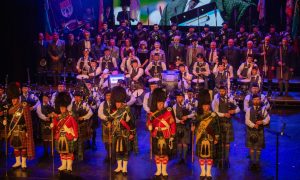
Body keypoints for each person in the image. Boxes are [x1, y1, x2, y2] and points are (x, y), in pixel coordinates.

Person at [5, 82, 35, 170]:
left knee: (24, 148)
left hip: (23, 130)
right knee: (16, 147)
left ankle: (24, 163)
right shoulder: (10, 109)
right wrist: (5, 120)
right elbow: (9, 119)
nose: (13, 101)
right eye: (12, 100)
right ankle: (18, 162)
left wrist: (26, 131)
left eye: (15, 99)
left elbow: (28, 120)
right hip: (14, 130)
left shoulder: (24, 106)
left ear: (18, 99)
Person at [147, 88, 176, 177]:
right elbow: (148, 122)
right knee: (157, 154)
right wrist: (149, 126)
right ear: (156, 103)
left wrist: (172, 135)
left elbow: (173, 124)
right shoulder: (152, 113)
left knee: (165, 154)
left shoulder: (168, 111)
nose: (160, 105)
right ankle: (158, 170)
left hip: (166, 134)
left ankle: (164, 170)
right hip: (156, 134)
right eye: (159, 103)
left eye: (162, 103)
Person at [212, 85, 240, 168]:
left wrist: (233, 111)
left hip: (228, 123)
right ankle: (220, 159)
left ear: (226, 91)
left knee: (227, 143)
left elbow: (238, 108)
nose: (221, 93)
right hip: (219, 123)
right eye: (220, 91)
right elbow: (215, 112)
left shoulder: (230, 99)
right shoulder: (216, 100)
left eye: (223, 91)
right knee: (220, 142)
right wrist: (224, 114)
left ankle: (227, 159)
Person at [110, 86, 136, 175]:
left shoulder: (126, 110)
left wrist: (132, 133)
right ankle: (119, 167)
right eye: (116, 102)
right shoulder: (113, 110)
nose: (117, 104)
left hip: (125, 134)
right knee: (117, 151)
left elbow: (131, 122)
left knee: (125, 151)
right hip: (116, 134)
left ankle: (124, 168)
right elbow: (111, 120)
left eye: (119, 102)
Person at [192, 98, 219, 180]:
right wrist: (193, 127)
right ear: (202, 106)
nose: (206, 107)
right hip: (200, 137)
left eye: (207, 106)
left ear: (209, 106)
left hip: (210, 137)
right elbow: (194, 123)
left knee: (209, 156)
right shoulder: (198, 115)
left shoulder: (213, 115)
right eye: (204, 106)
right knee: (202, 156)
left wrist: (216, 137)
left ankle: (208, 173)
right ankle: (203, 172)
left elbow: (217, 127)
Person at [50, 92, 78, 173]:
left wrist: (75, 135)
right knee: (62, 152)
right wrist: (52, 125)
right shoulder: (57, 117)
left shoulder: (70, 116)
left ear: (66, 108)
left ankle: (69, 166)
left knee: (69, 152)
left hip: (68, 136)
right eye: (60, 108)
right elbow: (55, 126)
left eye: (63, 108)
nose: (61, 109)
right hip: (60, 136)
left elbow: (74, 126)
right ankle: (63, 165)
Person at [245, 95, 270, 171]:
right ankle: (253, 162)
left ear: (260, 100)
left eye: (258, 99)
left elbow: (268, 118)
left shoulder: (263, 109)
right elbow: (247, 120)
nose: (256, 101)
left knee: (259, 148)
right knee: (252, 147)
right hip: (251, 131)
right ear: (252, 101)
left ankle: (257, 163)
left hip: (260, 131)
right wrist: (253, 125)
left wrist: (262, 121)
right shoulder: (249, 109)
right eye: (255, 99)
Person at [69, 91, 93, 161]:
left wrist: (83, 117)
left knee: (81, 141)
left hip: (82, 125)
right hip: (73, 125)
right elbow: (69, 112)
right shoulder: (71, 104)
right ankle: (74, 154)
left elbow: (90, 113)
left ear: (81, 98)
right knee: (74, 140)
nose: (76, 98)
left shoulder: (84, 104)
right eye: (75, 97)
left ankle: (81, 155)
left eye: (78, 97)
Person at [173, 90, 194, 164]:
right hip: (178, 125)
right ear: (176, 98)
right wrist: (179, 121)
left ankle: (184, 159)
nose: (179, 98)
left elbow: (193, 113)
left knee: (185, 143)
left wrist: (187, 116)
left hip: (186, 126)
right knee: (179, 142)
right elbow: (174, 117)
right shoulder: (174, 106)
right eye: (178, 97)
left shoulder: (187, 104)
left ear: (183, 97)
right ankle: (179, 158)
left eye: (181, 97)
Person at [36, 92, 55, 157]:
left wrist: (51, 115)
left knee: (51, 138)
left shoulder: (52, 105)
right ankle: (45, 151)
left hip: (51, 123)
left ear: (48, 99)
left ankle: (52, 151)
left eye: (46, 98)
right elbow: (39, 114)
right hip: (43, 123)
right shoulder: (39, 106)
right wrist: (46, 118)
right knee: (45, 138)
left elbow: (54, 112)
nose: (45, 99)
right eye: (44, 98)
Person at [98, 88, 113, 161]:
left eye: (110, 95)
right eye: (107, 95)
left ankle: (113, 155)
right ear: (105, 96)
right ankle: (108, 154)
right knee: (106, 141)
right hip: (105, 125)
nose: (108, 97)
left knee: (113, 141)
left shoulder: (115, 104)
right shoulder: (102, 104)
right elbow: (100, 113)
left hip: (114, 125)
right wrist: (106, 118)